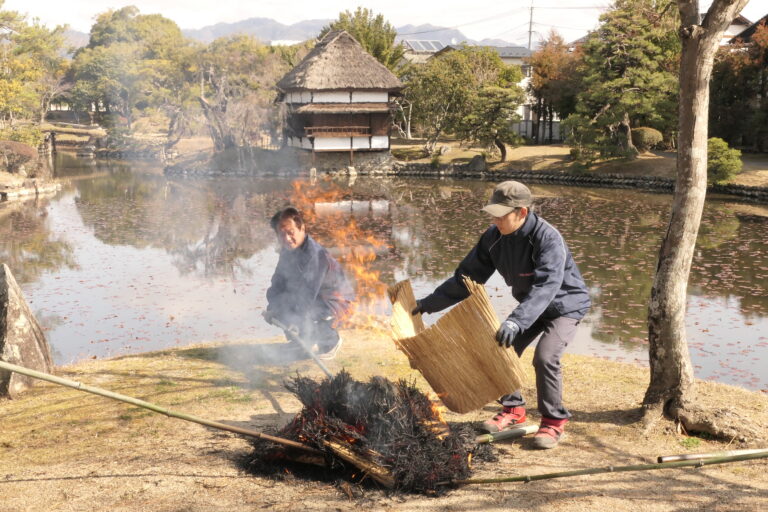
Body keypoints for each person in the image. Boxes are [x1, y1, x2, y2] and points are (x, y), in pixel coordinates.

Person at [413, 181, 590, 449]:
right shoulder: (493, 238)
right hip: (531, 305)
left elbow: (547, 286)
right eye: (493, 214)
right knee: (500, 348)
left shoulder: (548, 238)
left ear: (522, 212)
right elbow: (467, 278)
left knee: (545, 357)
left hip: (564, 305)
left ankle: (554, 421)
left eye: (501, 215)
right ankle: (514, 409)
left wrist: (517, 321)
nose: (495, 220)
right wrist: (429, 304)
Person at [263, 207, 354, 360]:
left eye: (290, 232)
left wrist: (294, 319)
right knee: (286, 306)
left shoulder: (316, 255)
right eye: (281, 234)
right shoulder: (286, 251)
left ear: (302, 228)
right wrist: (273, 308)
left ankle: (330, 342)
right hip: (310, 298)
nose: (287, 239)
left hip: (335, 302)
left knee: (305, 312)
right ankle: (303, 342)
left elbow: (307, 295)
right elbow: (277, 284)